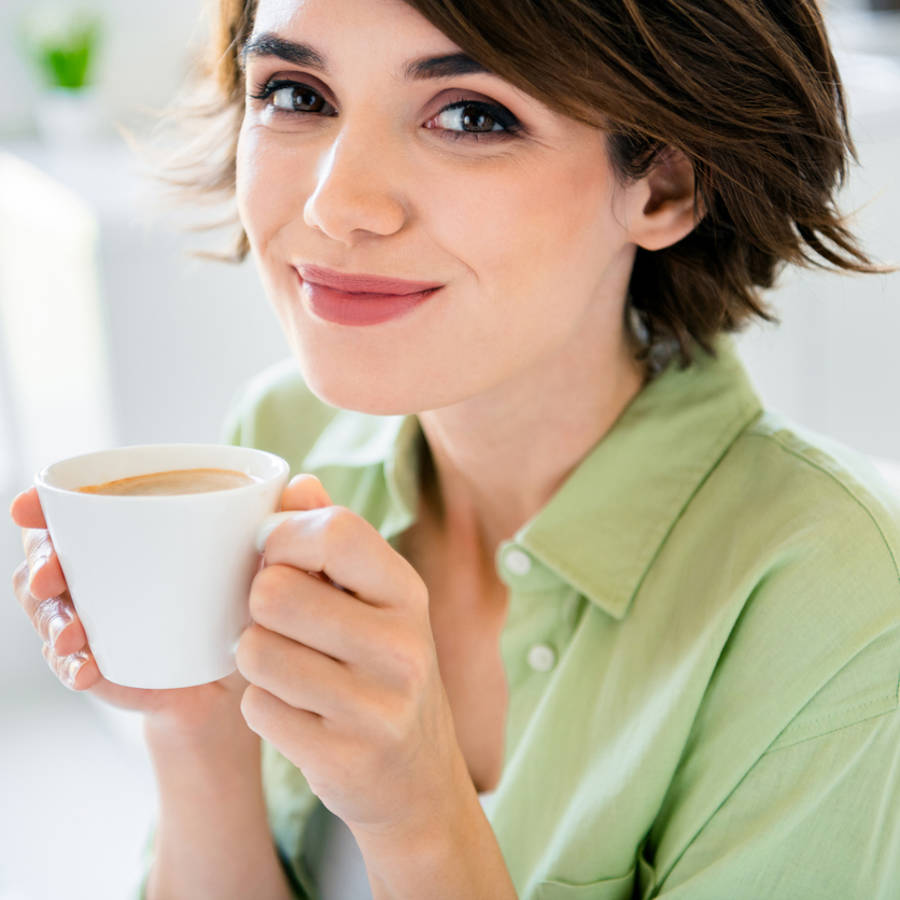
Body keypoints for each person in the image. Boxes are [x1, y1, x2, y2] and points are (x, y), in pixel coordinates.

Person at [9, 0, 900, 897]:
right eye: (295, 93)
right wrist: (195, 730)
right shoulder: (279, 444)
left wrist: (418, 819)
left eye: (472, 115)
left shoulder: (835, 594)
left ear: (664, 182)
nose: (337, 203)